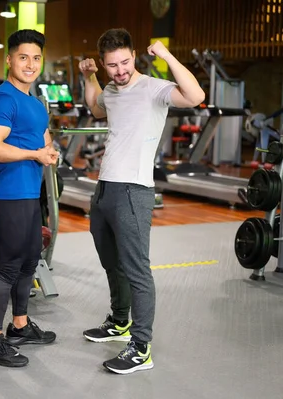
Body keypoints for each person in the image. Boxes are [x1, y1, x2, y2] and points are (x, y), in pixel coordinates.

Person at [79, 28, 205, 374]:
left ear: (134, 55)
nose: (119, 71)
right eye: (111, 65)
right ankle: (119, 321)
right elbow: (96, 107)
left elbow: (195, 95)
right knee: (110, 261)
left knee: (136, 270)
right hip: (104, 187)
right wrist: (88, 76)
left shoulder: (154, 88)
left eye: (125, 62)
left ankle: (140, 346)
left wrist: (165, 56)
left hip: (134, 190)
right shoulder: (109, 88)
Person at [0, 29, 59, 368]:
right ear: (9, 59)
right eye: (23, 57)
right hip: (10, 194)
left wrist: (48, 152)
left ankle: (19, 326)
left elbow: (43, 140)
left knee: (28, 261)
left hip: (30, 191)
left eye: (36, 58)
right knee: (9, 265)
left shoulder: (35, 103)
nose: (30, 64)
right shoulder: (3, 98)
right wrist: (35, 154)